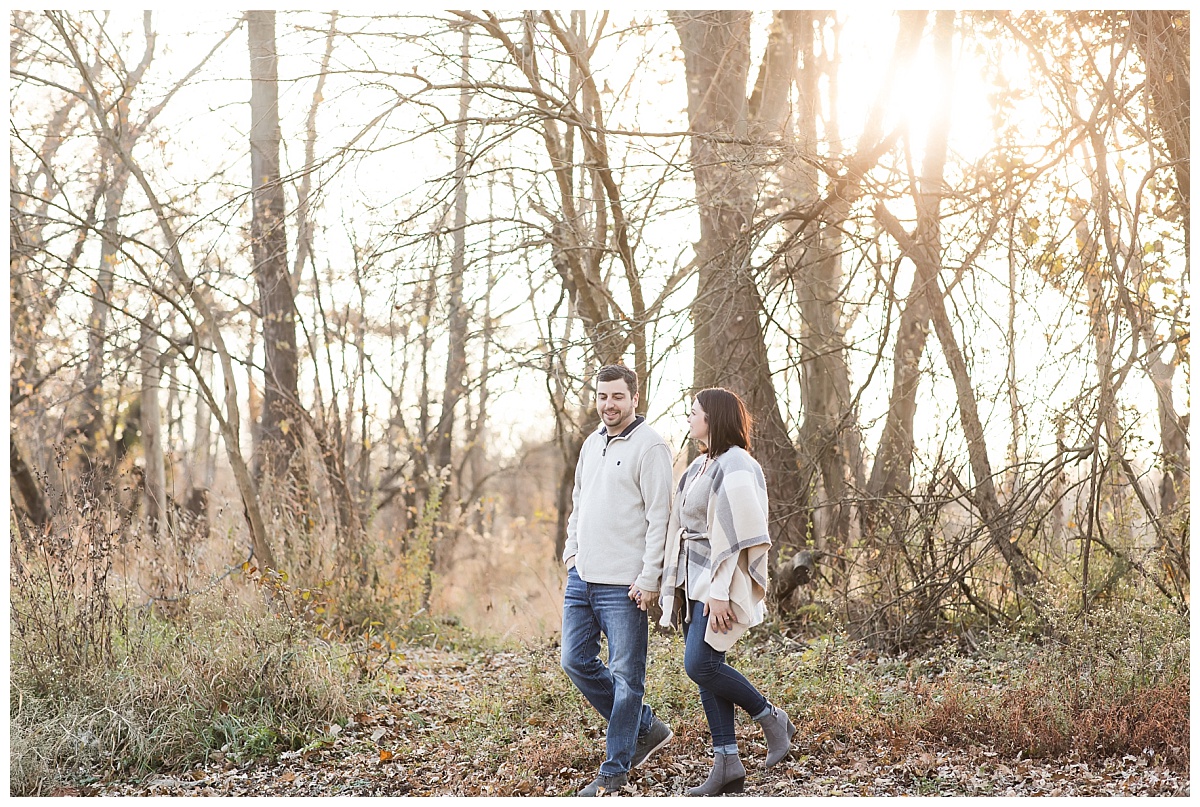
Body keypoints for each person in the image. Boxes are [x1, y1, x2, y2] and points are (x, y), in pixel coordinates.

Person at [659, 388, 795, 796]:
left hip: (716, 581)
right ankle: (727, 763)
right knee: (707, 673)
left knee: (700, 665)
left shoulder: (737, 463)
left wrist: (719, 592)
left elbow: (739, 535)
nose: (688, 419)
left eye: (694, 413)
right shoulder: (700, 464)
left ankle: (770, 717)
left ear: (713, 418)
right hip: (691, 579)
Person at [561, 364, 675, 797]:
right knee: (574, 661)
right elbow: (578, 502)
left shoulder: (652, 447)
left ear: (634, 398)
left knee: (628, 678)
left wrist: (649, 579)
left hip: (624, 585)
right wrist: (572, 553)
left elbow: (660, 519)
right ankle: (644, 726)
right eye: (603, 396)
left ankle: (614, 771)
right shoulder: (591, 444)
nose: (609, 405)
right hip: (583, 577)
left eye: (617, 397)